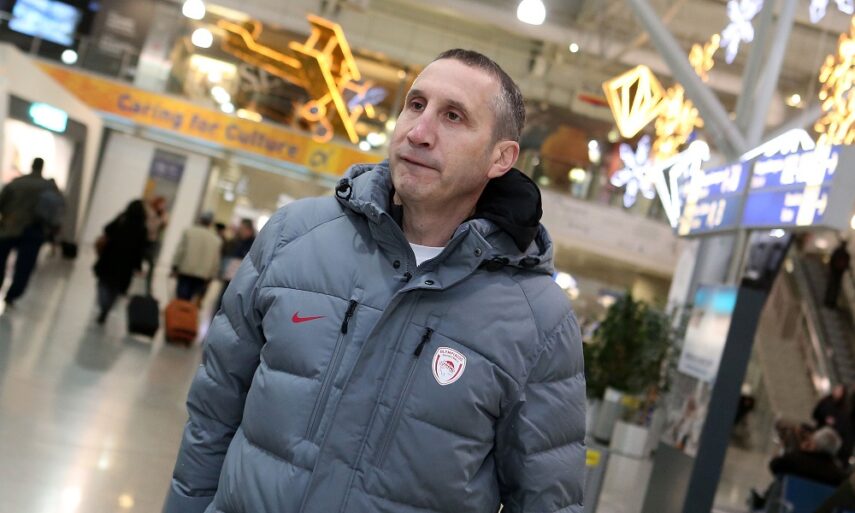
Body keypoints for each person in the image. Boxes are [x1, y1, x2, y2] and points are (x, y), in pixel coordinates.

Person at [163, 49, 585, 513]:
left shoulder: (539, 321)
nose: (419, 132)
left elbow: (547, 501)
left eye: (453, 116)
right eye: (415, 105)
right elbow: (213, 414)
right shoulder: (293, 238)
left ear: (500, 158)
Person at [0, 158, 64, 307]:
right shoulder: (50, 187)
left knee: (1, 259)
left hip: (10, 226)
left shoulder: (17, 183)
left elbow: (1, 204)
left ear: (32, 166)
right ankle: (12, 295)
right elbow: (58, 210)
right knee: (24, 266)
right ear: (42, 168)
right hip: (35, 231)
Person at [751, 427, 849, 510]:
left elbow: (774, 466)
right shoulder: (840, 476)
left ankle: (761, 502)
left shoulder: (794, 460)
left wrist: (802, 450)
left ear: (813, 444)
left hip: (786, 508)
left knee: (780, 480)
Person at [92, 200, 149, 324]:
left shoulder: (122, 219)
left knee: (103, 282)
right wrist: (138, 266)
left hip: (110, 256)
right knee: (116, 288)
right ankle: (106, 309)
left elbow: (107, 229)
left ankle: (103, 305)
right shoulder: (142, 228)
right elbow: (140, 249)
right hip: (126, 263)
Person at [171, 212, 222, 303]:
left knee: (181, 298)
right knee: (191, 300)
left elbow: (180, 251)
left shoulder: (189, 232)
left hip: (186, 271)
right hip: (202, 275)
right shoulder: (216, 239)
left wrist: (174, 266)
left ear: (200, 219)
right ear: (210, 223)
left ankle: (178, 311)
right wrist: (212, 275)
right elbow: (215, 260)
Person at [214, 218, 255, 314]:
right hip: (230, 275)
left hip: (242, 279)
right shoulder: (236, 241)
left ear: (249, 230)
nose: (240, 231)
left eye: (242, 229)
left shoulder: (253, 245)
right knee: (222, 299)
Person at [826, 240, 851, 308]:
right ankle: (830, 302)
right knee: (834, 287)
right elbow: (846, 265)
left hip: (837, 272)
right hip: (837, 272)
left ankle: (829, 301)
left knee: (833, 287)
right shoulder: (844, 254)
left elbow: (832, 260)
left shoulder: (842, 253)